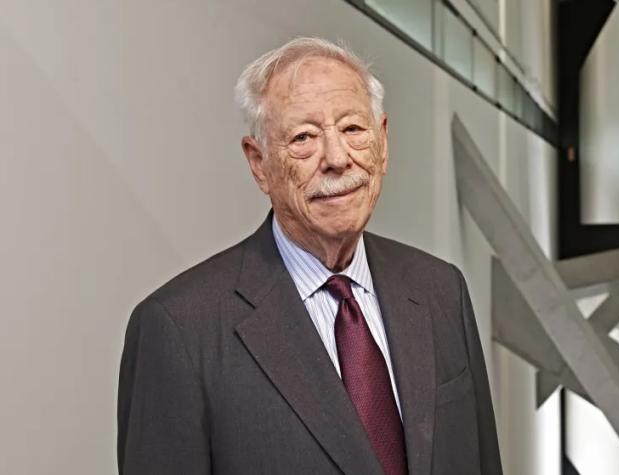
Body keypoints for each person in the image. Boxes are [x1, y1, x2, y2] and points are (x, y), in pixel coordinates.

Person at [117, 37, 502, 475]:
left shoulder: (441, 290)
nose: (337, 158)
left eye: (353, 130)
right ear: (259, 163)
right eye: (303, 138)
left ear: (383, 141)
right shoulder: (180, 330)